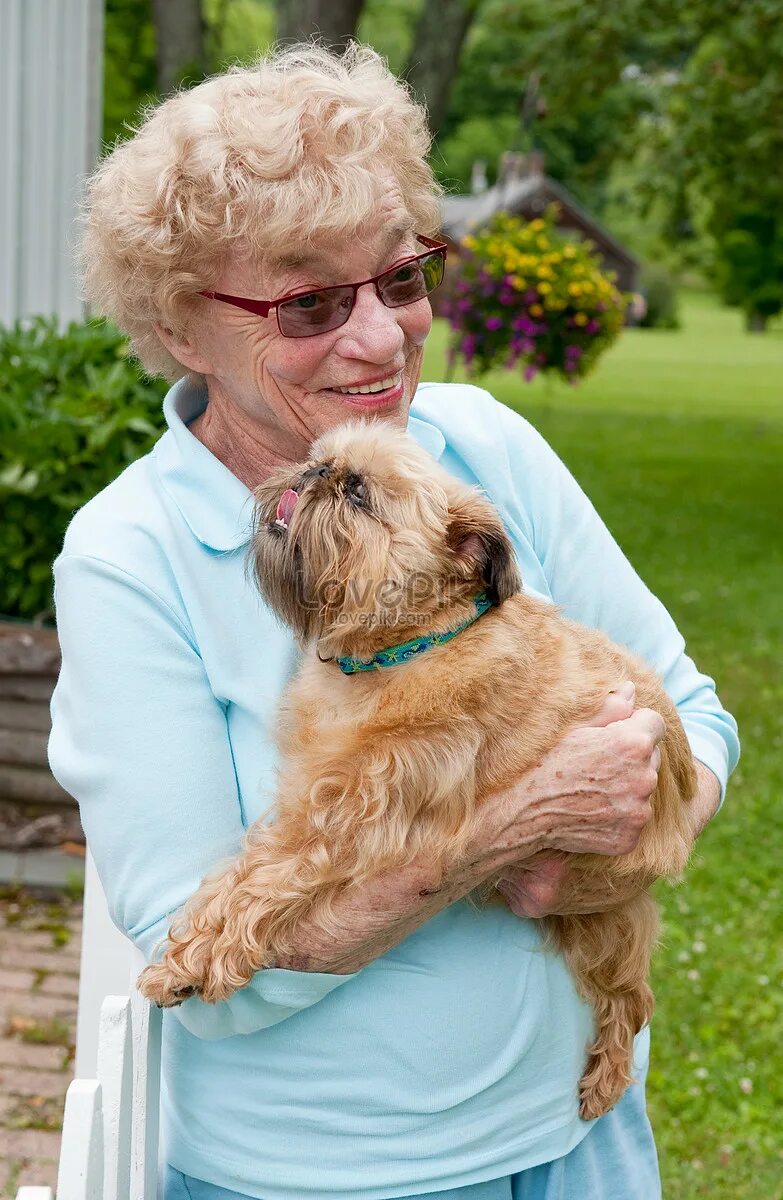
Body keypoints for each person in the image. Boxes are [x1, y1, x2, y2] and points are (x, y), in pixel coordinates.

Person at [48, 42, 739, 1200]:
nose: (378, 339)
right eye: (309, 299)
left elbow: (696, 713)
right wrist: (504, 831)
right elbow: (208, 972)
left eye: (401, 279)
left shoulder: (482, 449)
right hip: (329, 1175)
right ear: (178, 325)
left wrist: (634, 834)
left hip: (577, 1143)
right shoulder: (132, 558)